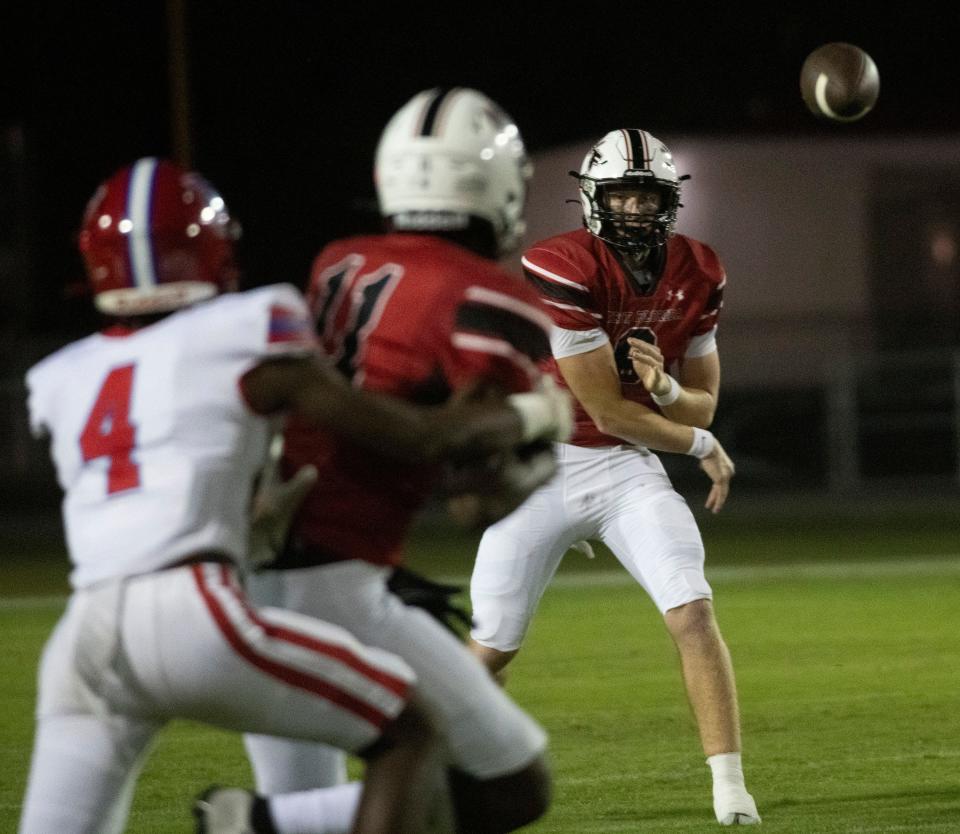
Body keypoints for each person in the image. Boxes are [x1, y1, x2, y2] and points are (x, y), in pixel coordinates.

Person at [19, 156, 570, 834]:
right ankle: (254, 822)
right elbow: (412, 434)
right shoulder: (245, 329)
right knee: (410, 734)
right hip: (191, 610)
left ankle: (259, 821)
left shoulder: (61, 375)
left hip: (84, 632)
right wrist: (533, 416)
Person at [195, 87, 561, 834]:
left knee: (306, 806)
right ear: (497, 184)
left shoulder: (339, 260)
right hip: (340, 581)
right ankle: (256, 824)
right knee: (514, 783)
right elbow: (475, 502)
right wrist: (537, 458)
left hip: (250, 565)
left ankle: (261, 823)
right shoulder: (492, 296)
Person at [467, 128, 762, 826]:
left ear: (669, 201)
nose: (633, 209)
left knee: (692, 610)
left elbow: (701, 400)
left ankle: (731, 791)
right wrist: (698, 443)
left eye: (646, 195)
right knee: (489, 652)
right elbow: (602, 407)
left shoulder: (700, 269)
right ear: (593, 200)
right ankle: (404, 772)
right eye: (621, 194)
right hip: (542, 466)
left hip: (627, 471)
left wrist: (668, 399)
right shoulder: (562, 265)